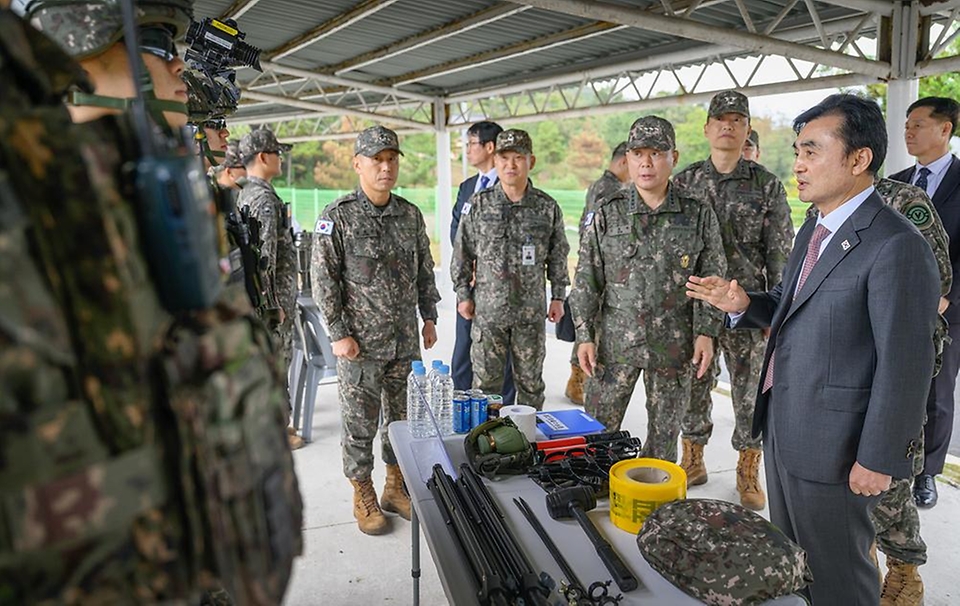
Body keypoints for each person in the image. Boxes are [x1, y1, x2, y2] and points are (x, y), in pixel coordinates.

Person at [1, 1, 302, 602]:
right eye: (163, 50)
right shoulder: (32, 221)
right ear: (83, 54)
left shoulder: (128, 201)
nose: (179, 77)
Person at [687, 93, 940, 604]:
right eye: (797, 152)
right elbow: (789, 303)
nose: (797, 165)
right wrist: (742, 302)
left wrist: (879, 457)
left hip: (838, 446)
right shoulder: (817, 225)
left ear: (858, 158)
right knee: (796, 564)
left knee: (839, 574)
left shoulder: (895, 244)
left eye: (810, 151)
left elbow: (906, 364)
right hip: (788, 423)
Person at [570, 117, 726, 461]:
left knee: (662, 444)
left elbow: (712, 279)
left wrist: (706, 332)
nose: (646, 162)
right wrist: (584, 334)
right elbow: (586, 279)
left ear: (674, 157)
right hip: (614, 346)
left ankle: (653, 508)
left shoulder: (698, 213)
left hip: (673, 346)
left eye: (656, 153)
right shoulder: (608, 213)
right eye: (638, 153)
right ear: (627, 157)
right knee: (595, 435)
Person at [311, 125, 440, 535]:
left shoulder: (409, 214)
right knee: (360, 424)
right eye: (376, 160)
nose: (385, 167)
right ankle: (362, 492)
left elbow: (424, 269)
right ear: (358, 164)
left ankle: (395, 486)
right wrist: (337, 331)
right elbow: (323, 279)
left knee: (401, 421)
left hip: (404, 341)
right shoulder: (337, 217)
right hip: (359, 346)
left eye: (391, 160)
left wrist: (430, 315)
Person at [673, 89, 795, 510]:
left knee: (750, 393)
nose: (728, 125)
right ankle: (692, 456)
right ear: (707, 128)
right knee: (694, 384)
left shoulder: (766, 184)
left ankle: (747, 469)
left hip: (749, 307)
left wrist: (775, 311)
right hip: (697, 305)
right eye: (720, 119)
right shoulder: (684, 182)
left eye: (737, 120)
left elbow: (781, 251)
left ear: (746, 130)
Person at [451, 129, 569, 410]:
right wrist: (463, 294)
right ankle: (486, 446)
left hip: (530, 315)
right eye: (504, 158)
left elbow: (558, 253)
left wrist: (558, 296)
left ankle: (528, 445)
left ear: (532, 161)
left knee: (530, 385)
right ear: (496, 159)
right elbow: (462, 252)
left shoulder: (545, 207)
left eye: (519, 158)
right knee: (486, 388)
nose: (511, 165)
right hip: (488, 314)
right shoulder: (479, 205)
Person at [890, 96, 960, 510]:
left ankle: (926, 473)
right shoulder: (897, 183)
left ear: (945, 129)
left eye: (918, 124)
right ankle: (897, 462)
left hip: (947, 313)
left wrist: (949, 297)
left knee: (937, 393)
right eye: (907, 125)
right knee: (894, 387)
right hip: (897, 307)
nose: (909, 132)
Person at [450, 120, 517, 405]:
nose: (467, 150)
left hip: (501, 288)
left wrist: (487, 266)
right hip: (470, 285)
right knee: (463, 353)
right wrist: (469, 268)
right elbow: (456, 230)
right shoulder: (467, 187)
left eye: (471, 144)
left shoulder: (513, 185)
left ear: (489, 147)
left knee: (501, 359)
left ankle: (499, 417)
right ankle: (460, 411)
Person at [565, 141, 630, 406]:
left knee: (589, 324)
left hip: (591, 262)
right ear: (624, 161)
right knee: (595, 329)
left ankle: (576, 379)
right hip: (602, 268)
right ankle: (580, 380)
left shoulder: (597, 185)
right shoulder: (611, 190)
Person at [238, 128, 297, 364]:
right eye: (276, 153)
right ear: (263, 157)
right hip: (274, 315)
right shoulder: (264, 200)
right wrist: (273, 306)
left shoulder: (245, 192)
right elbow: (265, 259)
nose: (280, 158)